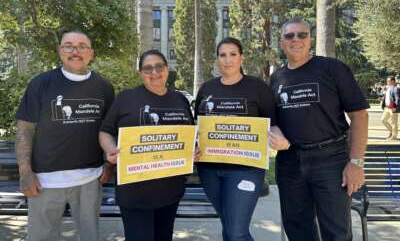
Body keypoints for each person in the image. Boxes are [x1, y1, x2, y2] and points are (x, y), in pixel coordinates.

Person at [269, 19, 369, 241]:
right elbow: (273, 122)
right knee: (297, 228)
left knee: (336, 231)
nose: (296, 40)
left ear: (310, 39)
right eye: (289, 36)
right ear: (281, 42)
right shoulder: (276, 79)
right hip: (289, 162)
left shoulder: (332, 68)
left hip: (331, 160)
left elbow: (359, 115)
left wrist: (356, 163)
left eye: (302, 35)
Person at [15, 31, 115, 240]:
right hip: (45, 181)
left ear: (91, 53)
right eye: (68, 46)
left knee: (89, 236)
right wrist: (25, 173)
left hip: (90, 179)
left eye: (82, 46)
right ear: (60, 51)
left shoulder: (104, 87)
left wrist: (108, 165)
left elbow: (108, 130)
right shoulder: (41, 84)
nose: (75, 51)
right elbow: (25, 129)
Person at [194, 37, 286, 241]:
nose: (228, 60)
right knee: (228, 223)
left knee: (236, 231)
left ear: (241, 58)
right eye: (222, 55)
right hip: (210, 169)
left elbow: (273, 124)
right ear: (217, 59)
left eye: (233, 54)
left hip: (246, 168)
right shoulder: (207, 89)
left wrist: (281, 141)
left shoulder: (258, 88)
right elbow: (197, 128)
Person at [99, 50, 194, 241]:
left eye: (159, 66)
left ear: (167, 69)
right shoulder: (126, 98)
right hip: (135, 192)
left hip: (170, 190)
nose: (154, 72)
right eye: (147, 68)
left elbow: (189, 136)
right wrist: (110, 149)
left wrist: (193, 150)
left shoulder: (180, 100)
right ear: (140, 73)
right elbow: (105, 131)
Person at [381, 76, 399, 140]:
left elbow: (398, 99)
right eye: (387, 81)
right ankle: (391, 131)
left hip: (393, 108)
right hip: (387, 107)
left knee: (393, 122)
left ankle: (394, 136)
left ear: (393, 81)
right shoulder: (388, 88)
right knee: (383, 120)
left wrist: (395, 108)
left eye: (388, 81)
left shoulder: (395, 88)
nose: (387, 82)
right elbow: (387, 97)